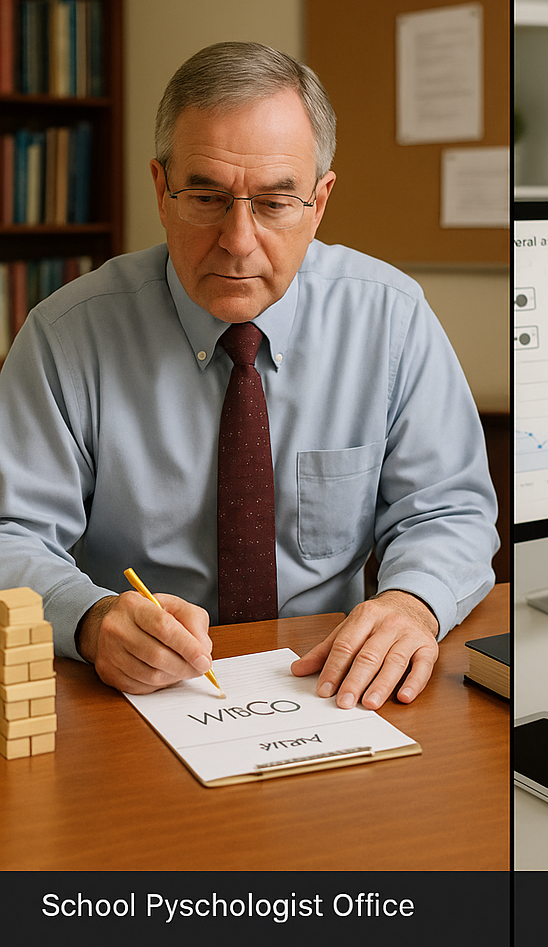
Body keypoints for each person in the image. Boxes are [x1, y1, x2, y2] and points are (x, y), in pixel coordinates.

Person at [0, 42, 498, 711]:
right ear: (161, 189)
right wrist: (90, 620)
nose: (237, 240)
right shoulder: (67, 335)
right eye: (206, 197)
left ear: (319, 202)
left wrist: (412, 604)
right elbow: (11, 534)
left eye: (274, 204)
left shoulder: (391, 318)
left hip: (328, 686)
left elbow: (451, 509)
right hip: (131, 697)